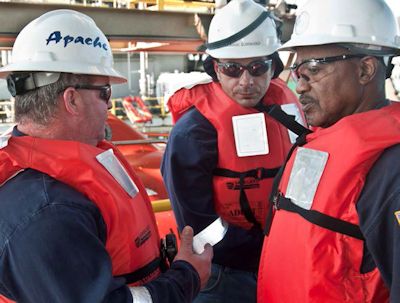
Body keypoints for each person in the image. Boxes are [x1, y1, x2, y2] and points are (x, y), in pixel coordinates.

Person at [0, 9, 213, 303]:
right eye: (105, 93)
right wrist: (186, 278)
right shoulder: (49, 212)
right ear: (72, 100)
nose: (109, 108)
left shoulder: (53, 192)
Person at [257, 0, 400, 302]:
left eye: (313, 69)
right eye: (298, 71)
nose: (300, 87)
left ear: (365, 69)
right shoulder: (320, 143)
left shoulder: (392, 170)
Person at [161, 0, 304, 302]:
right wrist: (265, 244)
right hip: (224, 278)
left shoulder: (290, 111)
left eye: (257, 67)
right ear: (214, 69)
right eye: (232, 69)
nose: (246, 81)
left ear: (274, 66)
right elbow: (198, 224)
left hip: (286, 261)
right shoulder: (193, 133)